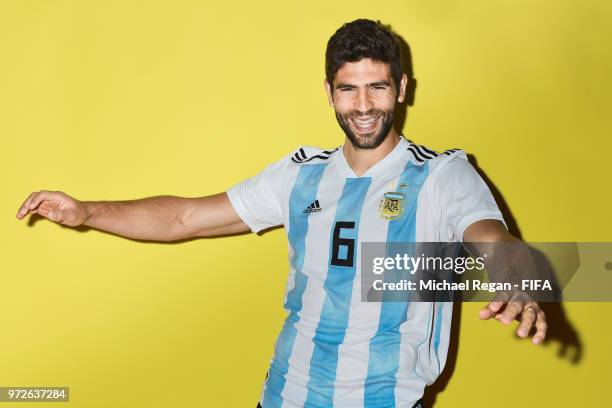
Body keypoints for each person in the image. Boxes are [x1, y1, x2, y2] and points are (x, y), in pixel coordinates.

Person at [16, 19, 546, 408]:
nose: (363, 105)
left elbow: (490, 236)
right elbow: (183, 219)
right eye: (349, 89)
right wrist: (86, 211)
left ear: (401, 89)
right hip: (283, 396)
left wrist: (515, 275)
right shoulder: (300, 176)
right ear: (330, 93)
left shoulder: (441, 175)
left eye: (378, 87)